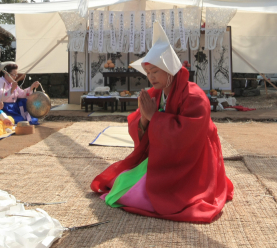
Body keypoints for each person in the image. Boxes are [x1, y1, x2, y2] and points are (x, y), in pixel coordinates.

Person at [91, 22, 233, 223]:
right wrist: (144, 121)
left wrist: (154, 118)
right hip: (164, 157)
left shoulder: (195, 96)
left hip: (194, 160)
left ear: (170, 69)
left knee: (143, 196)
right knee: (120, 184)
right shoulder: (155, 94)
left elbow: (187, 135)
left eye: (155, 71)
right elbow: (139, 126)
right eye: (148, 73)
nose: (150, 77)